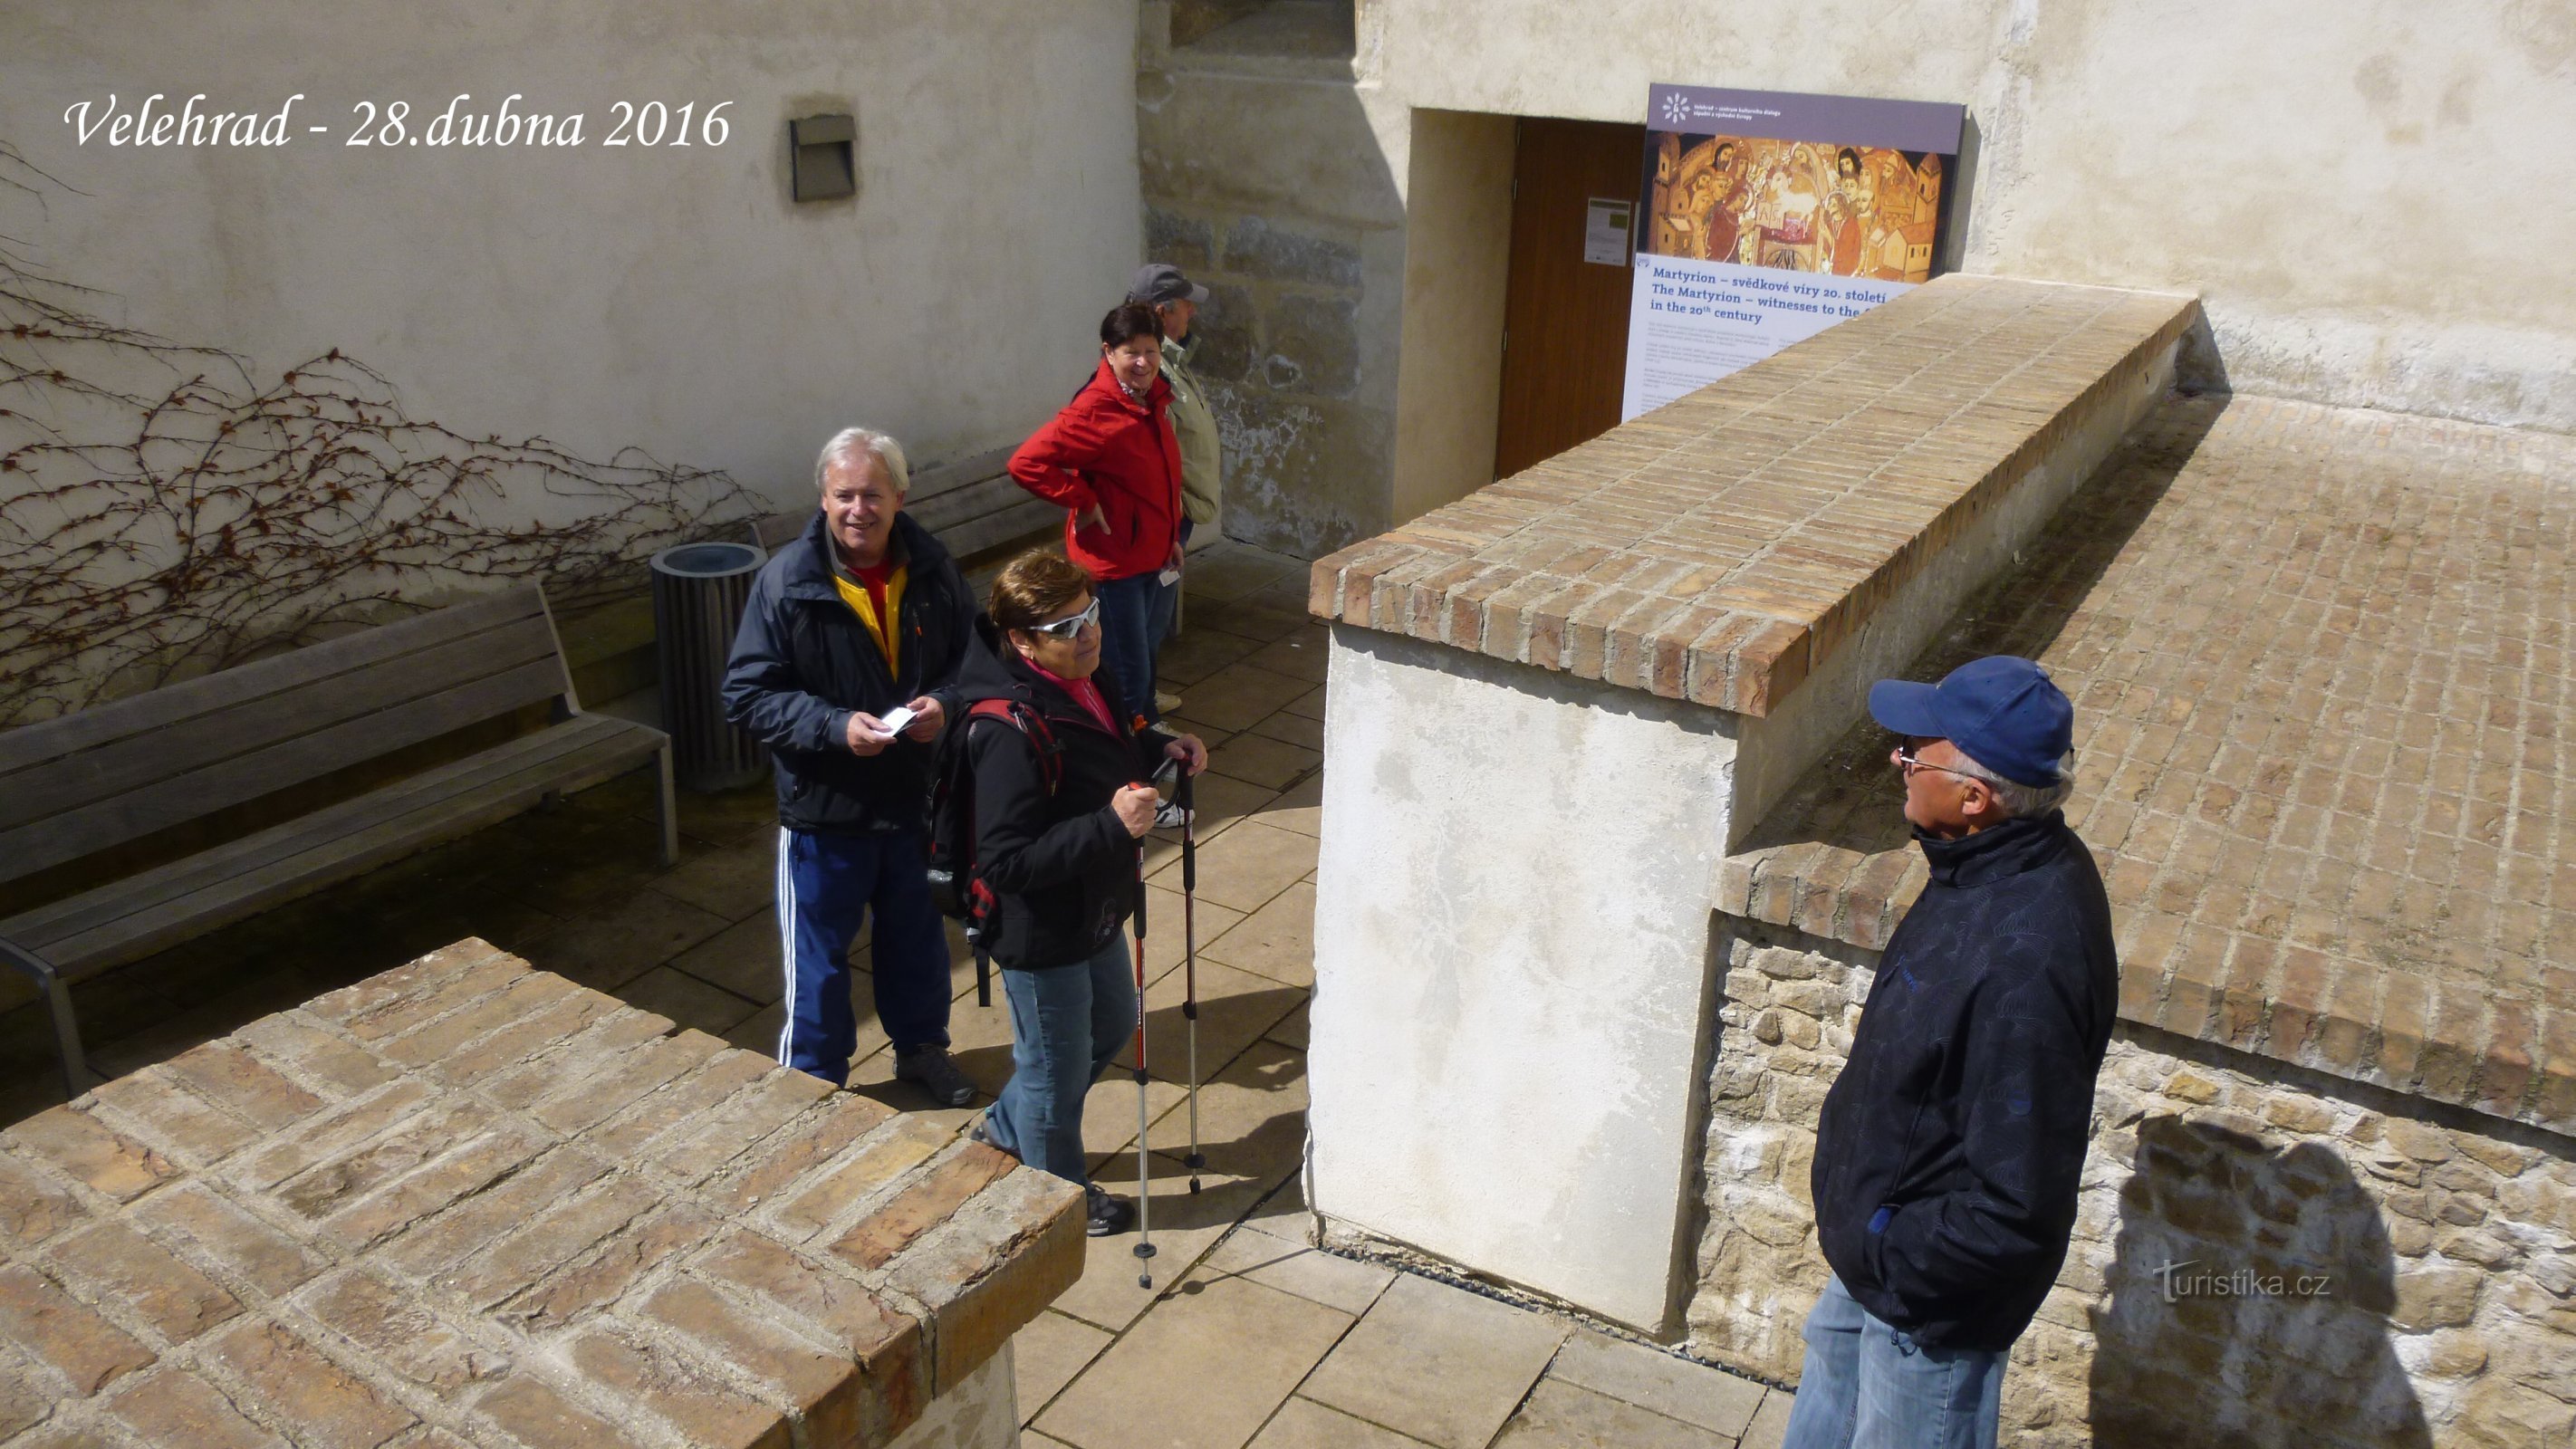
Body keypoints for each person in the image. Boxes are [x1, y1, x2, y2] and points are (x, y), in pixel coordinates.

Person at [1783, 656, 2118, 1449]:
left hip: (1926, 1302)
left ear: (1974, 796)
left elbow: (2015, 1200)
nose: (1895, 761)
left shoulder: (2030, 956)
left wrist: (1895, 1255)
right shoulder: (1981, 863)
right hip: (1879, 1253)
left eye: (1913, 754)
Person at [721, 427, 979, 1107]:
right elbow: (746, 694)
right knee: (818, 962)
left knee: (918, 941)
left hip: (914, 801)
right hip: (824, 809)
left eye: (871, 494)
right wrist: (832, 728)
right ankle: (814, 1082)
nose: (857, 509)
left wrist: (947, 707)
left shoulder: (932, 569)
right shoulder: (786, 583)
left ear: (900, 496)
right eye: (843, 495)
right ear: (823, 498)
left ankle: (922, 1051)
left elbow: (977, 665)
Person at [955, 551, 1206, 1235]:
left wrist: (1161, 743)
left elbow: (1115, 740)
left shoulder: (1088, 678)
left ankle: (1005, 1130)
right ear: (1022, 642)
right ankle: (1056, 1198)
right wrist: (1110, 826)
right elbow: (1002, 862)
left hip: (1093, 907)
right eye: (1065, 626)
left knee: (1110, 1025)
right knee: (1052, 1075)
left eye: (1091, 613)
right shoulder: (1005, 729)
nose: (1089, 632)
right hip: (1042, 930)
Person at [1007, 302, 1186, 735]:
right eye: (1131, 352)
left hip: (1153, 556)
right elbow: (1026, 462)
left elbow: (1156, 480)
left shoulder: (1151, 399)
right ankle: (1130, 758)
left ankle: (1149, 737)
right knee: (1126, 673)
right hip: (1114, 566)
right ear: (1109, 352)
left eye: (1151, 350)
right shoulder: (1094, 410)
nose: (1143, 362)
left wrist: (1171, 538)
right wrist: (1082, 498)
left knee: (1144, 656)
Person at [1128, 262, 1221, 717]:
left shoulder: (1174, 361)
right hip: (1166, 514)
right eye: (1187, 306)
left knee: (1155, 614)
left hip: (1178, 512)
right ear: (1164, 312)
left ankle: (1144, 693)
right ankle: (1139, 709)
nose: (1193, 315)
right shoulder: (1151, 368)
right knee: (1148, 616)